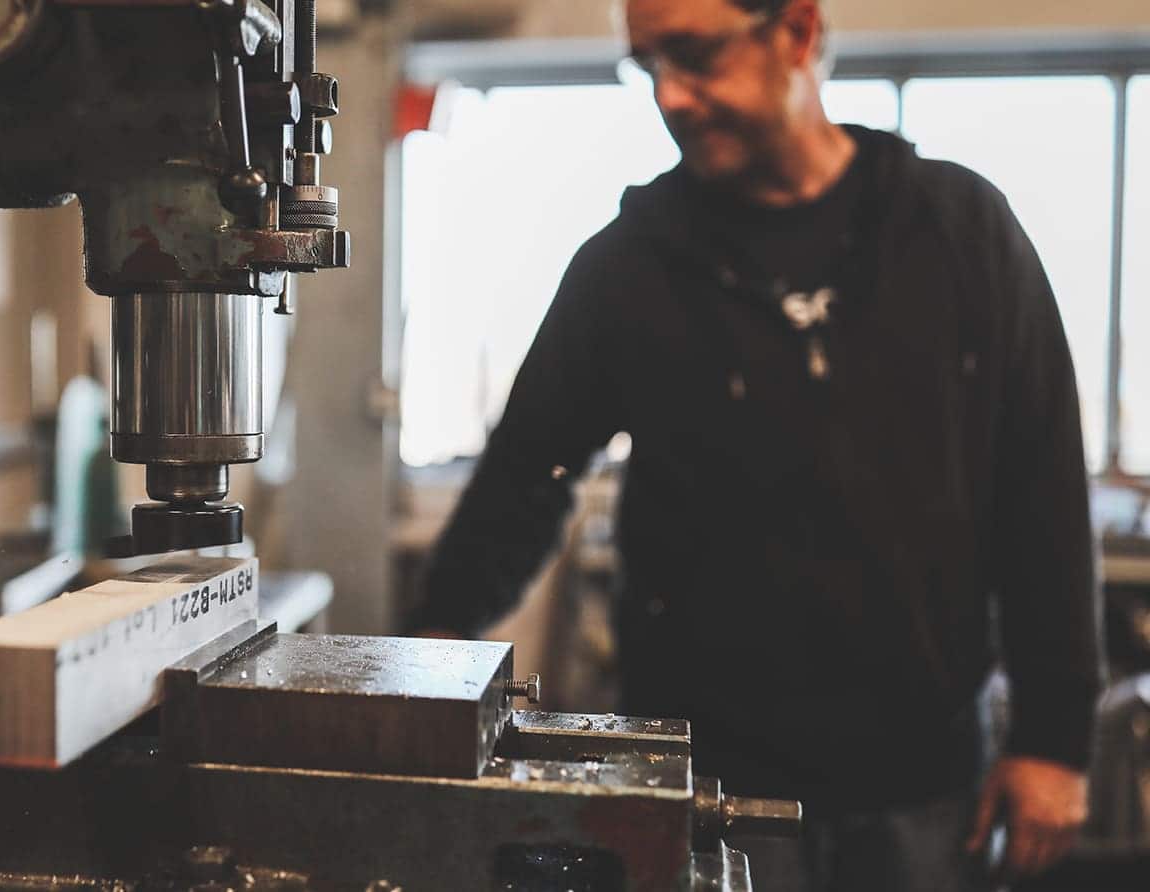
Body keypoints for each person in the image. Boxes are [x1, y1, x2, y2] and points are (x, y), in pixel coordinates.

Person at [404, 0, 1102, 888]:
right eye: (648, 65)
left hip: (924, 788)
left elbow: (1040, 486)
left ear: (799, 31)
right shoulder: (630, 266)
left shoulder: (959, 232)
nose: (671, 96)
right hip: (707, 790)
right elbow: (524, 481)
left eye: (695, 56)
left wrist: (1055, 739)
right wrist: (425, 660)